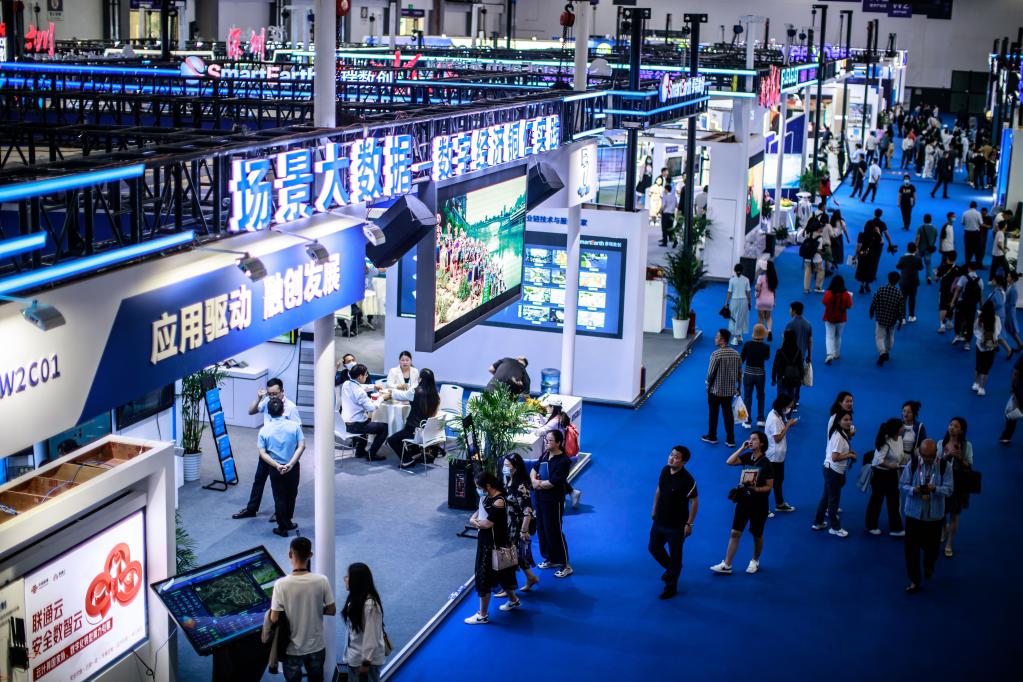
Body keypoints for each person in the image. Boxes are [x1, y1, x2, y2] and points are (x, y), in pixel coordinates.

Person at [270, 537, 336, 682]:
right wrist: (315, 608)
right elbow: (332, 610)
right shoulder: (322, 580)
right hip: (317, 647)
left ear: (290, 554)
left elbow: (274, 618)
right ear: (310, 555)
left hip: (291, 649)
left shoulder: (280, 584)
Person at [709, 432, 774, 575]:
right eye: (750, 439)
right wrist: (742, 448)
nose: (750, 441)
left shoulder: (766, 463)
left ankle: (755, 560)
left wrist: (756, 489)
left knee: (757, 534)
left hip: (759, 504)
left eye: (754, 439)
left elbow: (769, 486)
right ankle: (727, 564)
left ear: (761, 443)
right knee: (735, 532)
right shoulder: (747, 456)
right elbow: (729, 461)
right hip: (744, 500)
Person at [464, 472, 522, 624]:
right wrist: (474, 518)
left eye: (479, 487)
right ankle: (514, 600)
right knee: (504, 574)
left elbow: (487, 523)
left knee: (484, 578)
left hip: (493, 545)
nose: (478, 490)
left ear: (488, 486)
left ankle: (482, 615)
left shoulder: (499, 501)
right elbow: (480, 509)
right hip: (490, 542)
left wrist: (474, 522)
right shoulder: (488, 497)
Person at [901, 439, 953, 593]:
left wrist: (935, 489)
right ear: (920, 453)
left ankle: (929, 565)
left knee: (932, 549)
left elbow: (949, 489)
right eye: (924, 456)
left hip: (934, 517)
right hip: (913, 515)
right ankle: (914, 580)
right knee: (911, 551)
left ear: (936, 453)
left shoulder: (945, 466)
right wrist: (914, 490)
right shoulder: (913, 464)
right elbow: (902, 485)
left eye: (931, 456)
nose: (927, 459)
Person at [648, 445, 699, 599]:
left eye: (676, 457)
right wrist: (654, 509)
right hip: (660, 520)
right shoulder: (665, 470)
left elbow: (694, 502)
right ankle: (672, 570)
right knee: (654, 548)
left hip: (677, 526)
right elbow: (659, 489)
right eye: (671, 454)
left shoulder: (688, 480)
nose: (672, 458)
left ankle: (671, 587)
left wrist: (689, 524)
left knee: (675, 555)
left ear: (684, 462)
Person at [258, 398, 306, 537]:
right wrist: (290, 464)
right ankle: (288, 521)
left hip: (275, 469)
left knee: (279, 498)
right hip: (293, 467)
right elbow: (302, 446)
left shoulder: (264, 430)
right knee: (291, 495)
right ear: (283, 410)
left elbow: (262, 453)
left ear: (269, 412)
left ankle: (282, 527)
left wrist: (277, 465)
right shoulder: (294, 426)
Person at [531, 430, 573, 577]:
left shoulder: (563, 461)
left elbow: (552, 483)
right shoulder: (545, 454)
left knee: (555, 531)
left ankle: (566, 564)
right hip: (540, 500)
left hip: (553, 502)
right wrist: (534, 481)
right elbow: (534, 469)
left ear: (558, 443)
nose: (546, 442)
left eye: (549, 440)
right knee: (542, 530)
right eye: (546, 440)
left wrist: (537, 484)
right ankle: (552, 558)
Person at [812, 408, 857, 537]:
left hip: (831, 470)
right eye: (845, 420)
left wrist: (849, 450)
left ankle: (818, 522)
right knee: (833, 501)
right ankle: (835, 528)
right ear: (838, 421)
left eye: (850, 419)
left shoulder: (841, 432)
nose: (848, 422)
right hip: (834, 471)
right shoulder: (838, 436)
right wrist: (849, 455)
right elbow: (835, 457)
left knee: (826, 497)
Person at [341, 563, 385, 682]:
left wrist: (366, 663)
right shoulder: (355, 600)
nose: (345, 579)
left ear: (356, 580)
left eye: (348, 576)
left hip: (365, 664)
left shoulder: (370, 605)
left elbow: (371, 637)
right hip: (355, 659)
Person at [387, 368, 441, 466]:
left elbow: (402, 395)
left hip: (414, 430)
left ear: (421, 379)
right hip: (427, 430)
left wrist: (391, 392)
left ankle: (407, 460)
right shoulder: (435, 394)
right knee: (404, 431)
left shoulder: (416, 391)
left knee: (391, 440)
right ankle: (416, 453)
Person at [502, 453, 540, 593]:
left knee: (510, 555)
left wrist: (524, 531)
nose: (504, 467)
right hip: (509, 522)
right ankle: (530, 577)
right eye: (504, 465)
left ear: (515, 467)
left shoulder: (520, 486)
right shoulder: (509, 479)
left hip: (518, 525)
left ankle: (508, 588)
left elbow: (527, 510)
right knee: (517, 555)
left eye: (507, 465)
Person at [865, 418, 906, 537]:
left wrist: (899, 464)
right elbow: (878, 460)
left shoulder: (899, 438)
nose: (904, 428)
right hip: (880, 474)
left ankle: (896, 528)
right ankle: (871, 525)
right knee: (877, 500)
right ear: (896, 429)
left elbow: (900, 454)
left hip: (892, 474)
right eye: (902, 426)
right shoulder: (886, 441)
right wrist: (891, 466)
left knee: (894, 501)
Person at [702, 329, 742, 447]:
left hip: (715, 391)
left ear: (722, 339)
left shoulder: (716, 354)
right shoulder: (736, 354)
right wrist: (739, 388)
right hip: (729, 391)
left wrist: (707, 385)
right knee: (728, 415)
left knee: (713, 414)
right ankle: (730, 439)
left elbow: (710, 373)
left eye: (717, 337)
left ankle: (712, 436)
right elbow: (740, 373)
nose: (715, 338)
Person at [341, 364, 390, 461]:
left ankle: (360, 451)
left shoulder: (346, 383)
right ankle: (372, 454)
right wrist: (382, 398)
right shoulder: (360, 392)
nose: (367, 376)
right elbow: (371, 408)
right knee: (384, 427)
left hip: (344, 423)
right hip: (356, 425)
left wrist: (373, 386)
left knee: (366, 419)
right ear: (360, 376)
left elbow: (360, 387)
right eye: (366, 374)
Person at [765, 395, 798, 514]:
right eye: (789, 406)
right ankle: (763, 508)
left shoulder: (778, 414)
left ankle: (779, 503)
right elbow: (777, 438)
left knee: (779, 480)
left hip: (778, 456)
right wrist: (788, 425)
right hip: (773, 457)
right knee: (769, 483)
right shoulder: (774, 418)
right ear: (783, 405)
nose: (790, 408)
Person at [869, 272, 905, 366]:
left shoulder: (881, 289)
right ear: (898, 281)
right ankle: (887, 351)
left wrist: (871, 311)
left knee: (879, 337)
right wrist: (901, 320)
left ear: (888, 279)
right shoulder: (899, 293)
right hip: (892, 319)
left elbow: (874, 302)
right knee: (890, 336)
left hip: (881, 317)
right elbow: (901, 309)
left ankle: (882, 352)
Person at [740, 324, 771, 428]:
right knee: (761, 396)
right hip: (760, 374)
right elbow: (766, 357)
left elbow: (741, 359)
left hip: (748, 374)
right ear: (763, 335)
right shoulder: (766, 347)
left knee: (747, 397)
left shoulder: (747, 344)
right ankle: (761, 419)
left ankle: (747, 421)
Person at [854, 209, 890, 293]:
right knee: (871, 268)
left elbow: (858, 246)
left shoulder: (861, 234)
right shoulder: (877, 237)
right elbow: (882, 242)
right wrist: (878, 233)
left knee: (862, 268)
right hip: (873, 254)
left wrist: (855, 255)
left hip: (863, 254)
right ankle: (867, 284)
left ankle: (861, 286)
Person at [950, 261, 984, 351]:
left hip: (962, 303)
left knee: (958, 319)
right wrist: (982, 306)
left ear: (968, 267)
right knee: (970, 323)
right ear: (976, 269)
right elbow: (981, 295)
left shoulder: (963, 277)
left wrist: (952, 302)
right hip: (972, 305)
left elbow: (957, 290)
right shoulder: (980, 280)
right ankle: (967, 343)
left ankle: (958, 335)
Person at [972, 300, 1001, 397]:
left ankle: (976, 383)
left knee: (978, 364)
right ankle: (981, 388)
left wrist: (982, 338)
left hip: (980, 346)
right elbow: (998, 332)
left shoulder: (980, 318)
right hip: (990, 347)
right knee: (986, 368)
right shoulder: (996, 319)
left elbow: (975, 330)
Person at [784, 301, 812, 400]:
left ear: (794, 310)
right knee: (799, 377)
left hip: (790, 356)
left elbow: (785, 340)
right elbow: (810, 341)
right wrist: (809, 355)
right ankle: (796, 398)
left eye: (790, 309)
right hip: (802, 355)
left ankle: (789, 398)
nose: (789, 311)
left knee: (788, 376)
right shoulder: (808, 324)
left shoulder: (790, 324)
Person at [822, 275, 853, 365]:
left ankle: (829, 354)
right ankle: (837, 353)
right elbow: (849, 306)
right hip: (841, 319)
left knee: (829, 336)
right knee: (838, 336)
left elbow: (824, 302)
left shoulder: (828, 293)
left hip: (829, 318)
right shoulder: (846, 294)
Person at [771, 329, 804, 407]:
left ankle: (780, 410)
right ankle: (790, 410)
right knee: (791, 395)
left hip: (781, 377)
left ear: (785, 339)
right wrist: (801, 377)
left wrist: (773, 378)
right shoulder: (798, 351)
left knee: (780, 396)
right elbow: (800, 365)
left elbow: (775, 365)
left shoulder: (780, 351)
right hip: (793, 377)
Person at [999, 354, 1023, 445]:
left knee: (1012, 412)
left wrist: (1012, 387)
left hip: (1020, 391)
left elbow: (1016, 372)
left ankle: (1006, 436)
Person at [897, 243, 924, 322]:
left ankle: (902, 318)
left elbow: (898, 266)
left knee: (903, 299)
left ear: (907, 249)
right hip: (913, 281)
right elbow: (921, 268)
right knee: (912, 298)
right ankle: (911, 316)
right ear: (915, 249)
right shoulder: (918, 258)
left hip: (903, 281)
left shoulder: (902, 258)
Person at [725, 264, 751, 344]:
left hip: (734, 301)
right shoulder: (746, 279)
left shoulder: (732, 280)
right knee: (742, 318)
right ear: (742, 270)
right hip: (744, 301)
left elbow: (729, 292)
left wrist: (726, 303)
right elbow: (748, 293)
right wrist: (749, 302)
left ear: (734, 270)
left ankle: (735, 338)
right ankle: (739, 336)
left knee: (733, 318)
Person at [936, 251, 959, 333]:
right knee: (952, 305)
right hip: (954, 291)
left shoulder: (941, 267)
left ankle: (942, 326)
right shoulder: (958, 268)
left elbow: (936, 278)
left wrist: (936, 274)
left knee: (942, 307)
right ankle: (949, 322)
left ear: (947, 258)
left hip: (943, 290)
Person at [755, 259, 778, 341]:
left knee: (760, 318)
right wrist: (774, 301)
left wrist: (756, 287)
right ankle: (769, 330)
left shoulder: (761, 277)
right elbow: (774, 291)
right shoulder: (774, 278)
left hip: (761, 301)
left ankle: (760, 336)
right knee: (768, 317)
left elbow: (757, 289)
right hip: (770, 301)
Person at [914, 213, 939, 284]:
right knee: (928, 264)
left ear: (923, 220)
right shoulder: (934, 229)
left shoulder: (920, 228)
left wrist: (915, 247)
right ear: (931, 220)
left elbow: (918, 238)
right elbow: (935, 239)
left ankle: (916, 279)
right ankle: (929, 277)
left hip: (920, 249)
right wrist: (932, 245)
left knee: (916, 264)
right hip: (928, 249)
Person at [1003, 271, 1023, 356]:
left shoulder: (1013, 289)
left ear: (1013, 279)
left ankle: (1020, 345)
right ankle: (1020, 345)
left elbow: (1011, 304)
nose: (1007, 277)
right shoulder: (1010, 286)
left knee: (1012, 331)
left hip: (1009, 313)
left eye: (1008, 276)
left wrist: (1003, 310)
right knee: (1012, 331)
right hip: (1008, 312)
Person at [961, 201, 984, 267]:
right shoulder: (978, 213)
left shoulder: (965, 213)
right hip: (976, 233)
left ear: (970, 206)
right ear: (976, 206)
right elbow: (981, 223)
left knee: (968, 249)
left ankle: (967, 263)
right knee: (978, 249)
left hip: (967, 233)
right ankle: (978, 263)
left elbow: (962, 223)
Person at [658, 178, 678, 247]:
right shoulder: (674, 197)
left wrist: (659, 211)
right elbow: (676, 205)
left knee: (664, 228)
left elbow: (663, 205)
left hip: (666, 214)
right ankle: (674, 240)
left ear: (666, 190)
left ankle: (665, 242)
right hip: (672, 214)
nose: (664, 190)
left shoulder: (665, 197)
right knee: (670, 228)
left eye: (665, 189)